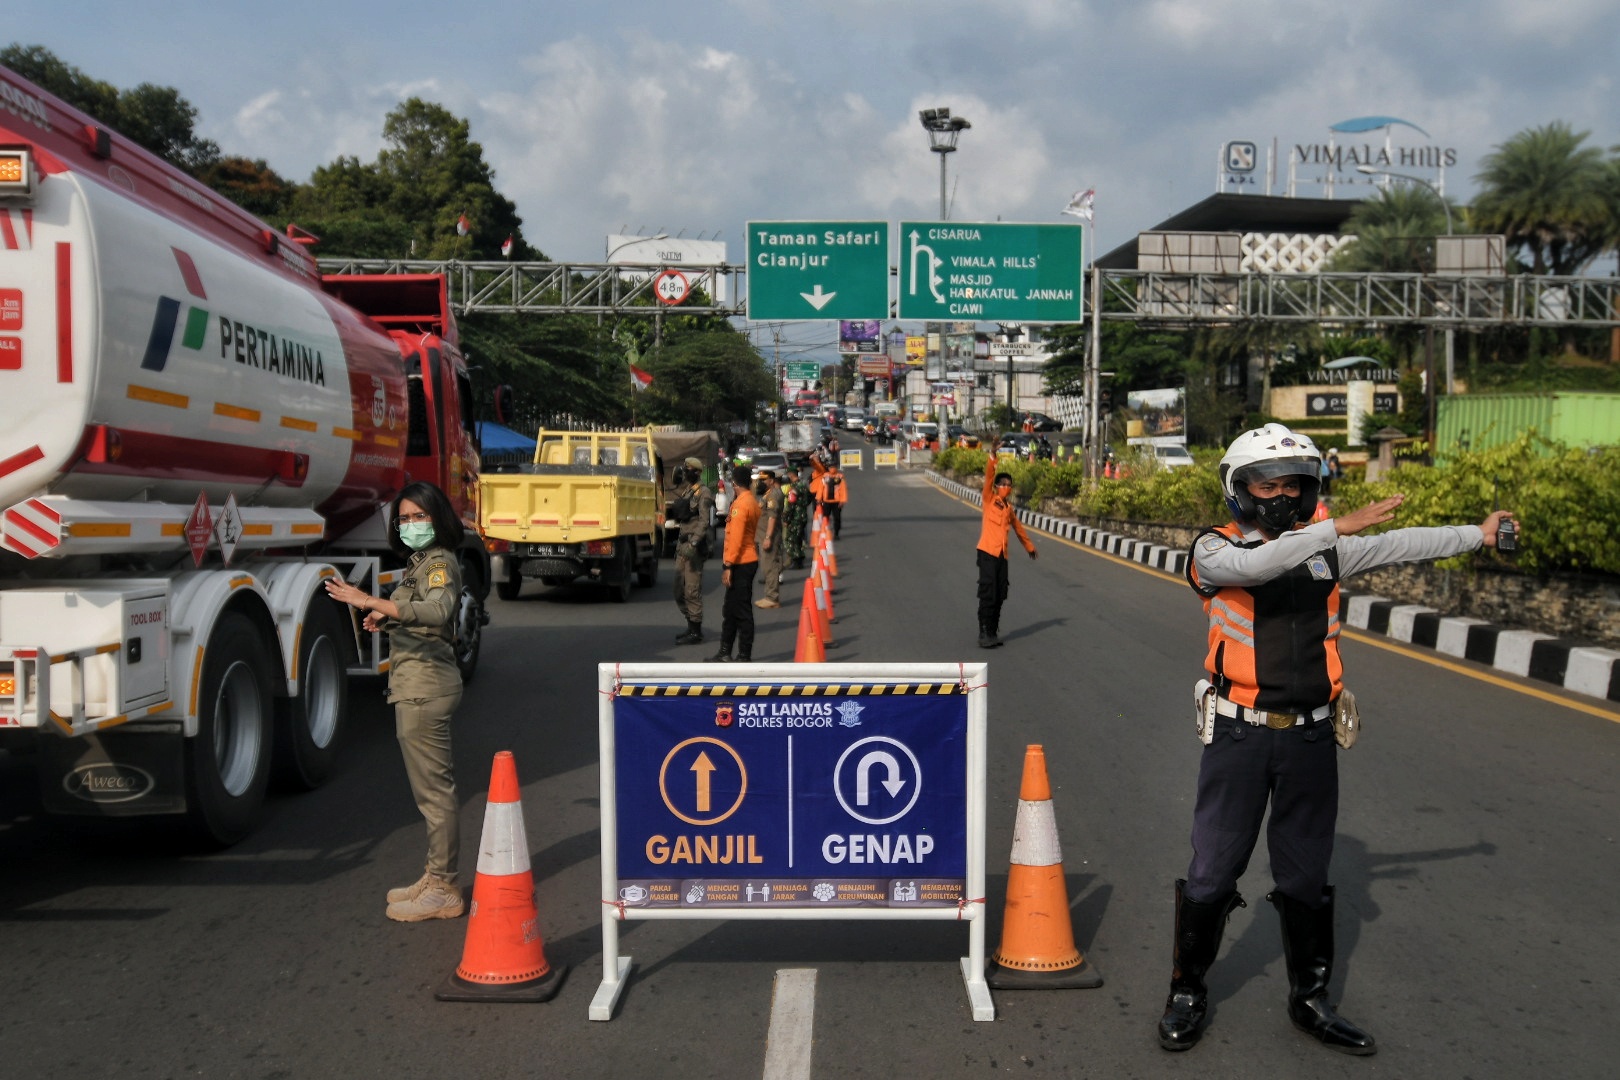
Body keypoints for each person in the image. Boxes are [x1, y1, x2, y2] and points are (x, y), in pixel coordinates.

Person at [1158, 423, 1517, 1056]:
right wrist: (1331, 529)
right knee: (1213, 871)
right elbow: (1259, 563)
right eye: (1268, 484)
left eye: (1294, 485)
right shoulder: (1214, 551)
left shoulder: (1326, 553)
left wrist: (1477, 535)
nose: (1283, 496)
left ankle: (1310, 999)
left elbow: (1403, 543)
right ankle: (1188, 989)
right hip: (1240, 737)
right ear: (1239, 490)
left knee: (1305, 875)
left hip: (1310, 742)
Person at [325, 481, 469, 922]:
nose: (410, 525)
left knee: (434, 796)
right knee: (429, 793)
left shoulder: (440, 562)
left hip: (426, 686)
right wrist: (383, 617)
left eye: (419, 516)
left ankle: (444, 888)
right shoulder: (421, 563)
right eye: (403, 518)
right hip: (415, 683)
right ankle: (434, 874)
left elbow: (440, 612)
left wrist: (370, 600)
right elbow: (420, 619)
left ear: (438, 518)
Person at [975, 452, 1037, 648]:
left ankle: (993, 631)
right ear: (997, 487)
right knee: (988, 593)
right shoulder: (988, 499)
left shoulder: (1009, 508)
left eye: (1009, 485)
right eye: (1003, 484)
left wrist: (1029, 546)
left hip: (1002, 556)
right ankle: (984, 632)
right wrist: (993, 457)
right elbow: (988, 477)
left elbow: (1018, 528)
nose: (1007, 487)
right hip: (987, 553)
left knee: (1001, 593)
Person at [711, 463, 760, 662]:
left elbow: (736, 538)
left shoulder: (741, 505)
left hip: (741, 562)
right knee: (730, 610)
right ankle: (725, 652)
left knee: (741, 611)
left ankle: (744, 655)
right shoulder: (751, 501)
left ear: (734, 483)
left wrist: (728, 566)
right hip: (746, 560)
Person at [668, 457, 714, 645]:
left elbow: (704, 521)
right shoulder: (688, 490)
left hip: (693, 548)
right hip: (682, 545)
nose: (684, 473)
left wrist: (694, 543)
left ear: (696, 472)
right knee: (678, 590)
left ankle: (696, 630)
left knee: (691, 590)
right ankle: (690, 624)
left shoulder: (704, 493)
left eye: (687, 470)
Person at [755, 468, 785, 609]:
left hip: (770, 536)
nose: (760, 482)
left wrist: (768, 537)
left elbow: (772, 518)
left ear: (771, 481)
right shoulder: (766, 494)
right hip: (763, 536)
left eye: (763, 480)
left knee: (770, 566)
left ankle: (772, 597)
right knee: (767, 566)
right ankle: (769, 595)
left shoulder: (773, 495)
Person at [812, 452, 849, 540]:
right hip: (826, 501)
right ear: (828, 467)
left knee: (837, 518)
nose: (832, 468)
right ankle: (825, 531)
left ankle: (836, 533)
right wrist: (819, 499)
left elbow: (843, 489)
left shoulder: (840, 477)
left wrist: (842, 501)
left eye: (834, 466)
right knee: (825, 517)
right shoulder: (825, 477)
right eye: (831, 466)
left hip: (837, 501)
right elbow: (821, 488)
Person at [782, 465, 811, 570]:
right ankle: (800, 559)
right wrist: (802, 506)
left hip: (795, 518)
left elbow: (790, 505)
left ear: (790, 474)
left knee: (791, 539)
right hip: (803, 516)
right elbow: (809, 498)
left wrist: (786, 519)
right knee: (799, 538)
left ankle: (796, 560)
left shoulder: (793, 488)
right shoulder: (803, 485)